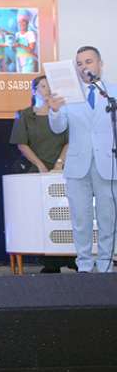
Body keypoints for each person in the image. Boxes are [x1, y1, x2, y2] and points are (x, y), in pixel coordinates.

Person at [48, 46, 117, 273]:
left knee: (108, 218)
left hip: (108, 164)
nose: (83, 67)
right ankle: (84, 266)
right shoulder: (67, 94)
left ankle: (106, 265)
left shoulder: (113, 93)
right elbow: (58, 128)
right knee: (80, 219)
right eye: (79, 63)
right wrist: (55, 111)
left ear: (100, 64)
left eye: (88, 61)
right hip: (78, 166)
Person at [10, 75, 73, 273]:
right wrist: (40, 166)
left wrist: (60, 163)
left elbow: (69, 141)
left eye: (50, 86)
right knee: (42, 217)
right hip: (35, 169)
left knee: (65, 215)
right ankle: (50, 262)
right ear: (34, 90)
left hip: (62, 168)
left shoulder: (61, 113)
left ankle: (71, 257)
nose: (47, 90)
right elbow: (22, 144)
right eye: (43, 86)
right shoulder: (24, 115)